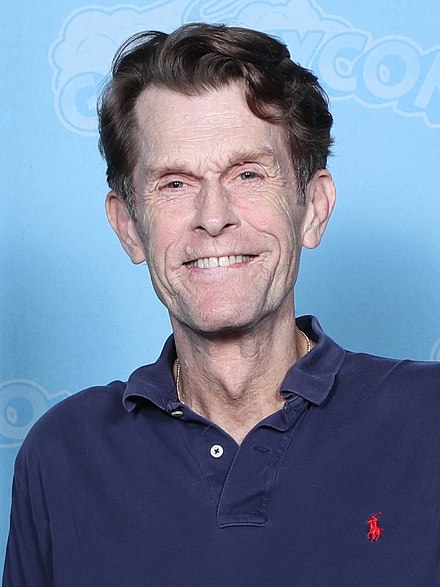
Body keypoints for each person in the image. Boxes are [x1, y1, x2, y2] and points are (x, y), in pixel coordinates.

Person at [3, 22, 440, 587]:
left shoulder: (428, 421)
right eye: (175, 184)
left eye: (248, 174)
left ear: (313, 208)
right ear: (129, 226)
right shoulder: (62, 455)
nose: (213, 217)